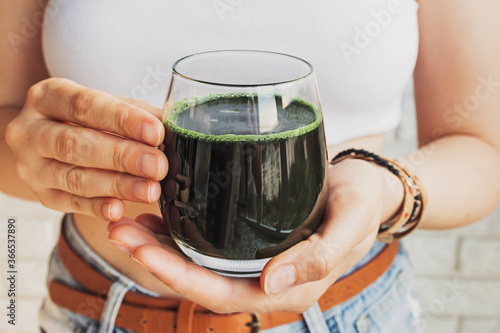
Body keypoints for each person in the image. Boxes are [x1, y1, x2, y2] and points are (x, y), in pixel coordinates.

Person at [2, 0, 500, 332]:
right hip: (98, 309)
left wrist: (381, 187)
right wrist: (32, 155)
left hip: (354, 312)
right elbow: (9, 121)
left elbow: (481, 149)